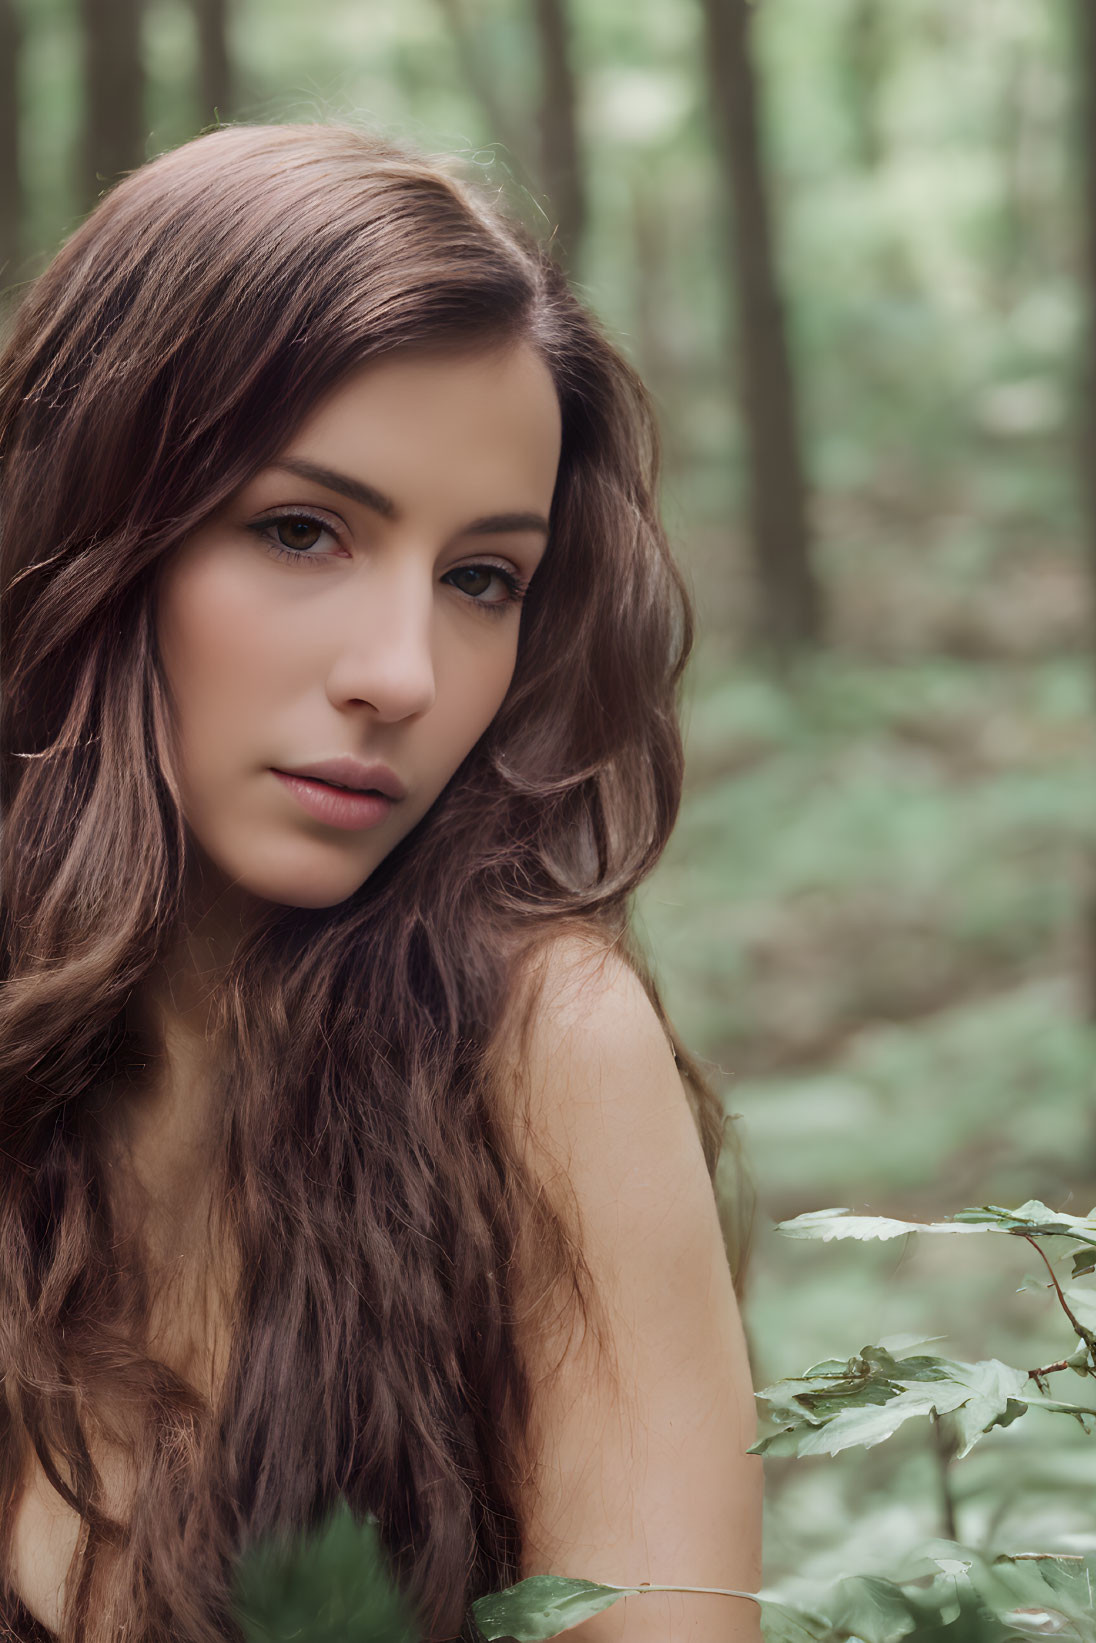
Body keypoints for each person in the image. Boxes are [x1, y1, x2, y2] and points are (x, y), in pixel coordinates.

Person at [0, 123, 763, 1642]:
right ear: (93, 522)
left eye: (483, 578)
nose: (402, 675)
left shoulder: (541, 1043)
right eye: (301, 531)